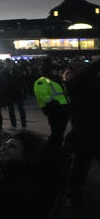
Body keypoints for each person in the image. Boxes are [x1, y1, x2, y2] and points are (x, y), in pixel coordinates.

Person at [64, 57, 100, 207]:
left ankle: (74, 194)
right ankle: (74, 195)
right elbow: (90, 73)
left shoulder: (86, 82)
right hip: (86, 130)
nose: (84, 68)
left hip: (89, 129)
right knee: (80, 165)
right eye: (80, 67)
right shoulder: (75, 83)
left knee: (81, 165)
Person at [33, 62, 69, 154]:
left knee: (60, 131)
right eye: (55, 69)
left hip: (63, 109)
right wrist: (55, 106)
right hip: (54, 110)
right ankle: (53, 150)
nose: (58, 71)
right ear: (49, 70)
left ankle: (56, 149)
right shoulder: (42, 81)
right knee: (56, 132)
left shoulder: (56, 80)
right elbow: (44, 97)